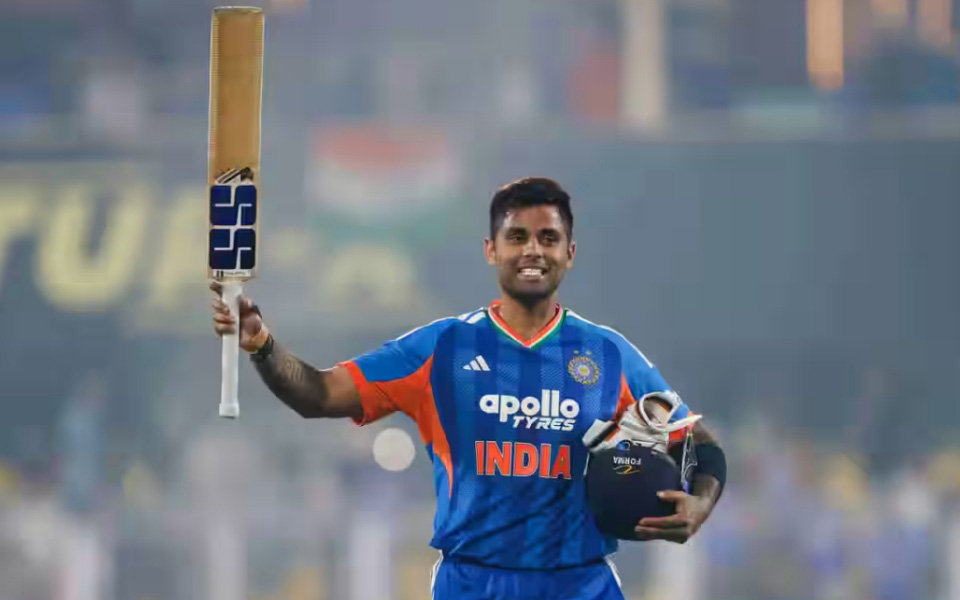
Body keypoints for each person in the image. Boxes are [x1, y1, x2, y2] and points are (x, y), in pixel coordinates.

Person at [210, 177, 726, 600]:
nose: (532, 250)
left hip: (581, 585)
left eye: (548, 238)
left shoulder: (609, 354)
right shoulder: (442, 348)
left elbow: (699, 444)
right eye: (516, 236)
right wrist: (261, 344)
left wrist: (700, 505)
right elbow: (320, 395)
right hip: (474, 585)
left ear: (570, 253)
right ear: (490, 250)